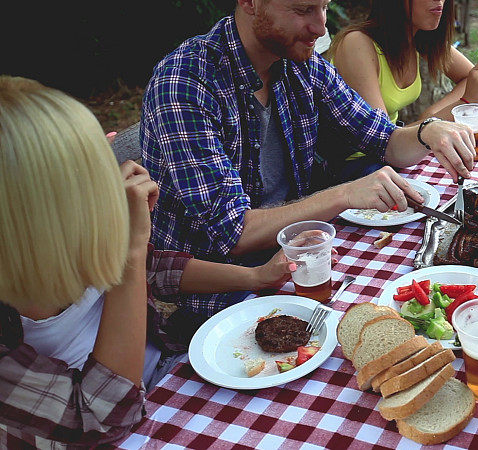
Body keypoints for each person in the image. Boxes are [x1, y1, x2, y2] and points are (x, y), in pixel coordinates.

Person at [0, 77, 300, 446]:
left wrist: (256, 277)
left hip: (165, 380)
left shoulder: (66, 233)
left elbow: (156, 269)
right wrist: (131, 249)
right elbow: (105, 419)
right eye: (89, 172)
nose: (111, 178)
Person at [140, 0, 476, 318]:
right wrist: (345, 193)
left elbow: (384, 140)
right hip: (213, 298)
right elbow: (235, 233)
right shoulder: (185, 83)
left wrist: (426, 132)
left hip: (296, 261)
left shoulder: (301, 63)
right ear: (249, 2)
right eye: (303, 9)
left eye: (324, 7)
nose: (320, 27)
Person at [330, 0, 478, 125]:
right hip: (355, 165)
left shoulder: (417, 37)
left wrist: (431, 114)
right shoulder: (357, 44)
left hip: (391, 155)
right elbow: (382, 138)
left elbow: (471, 77)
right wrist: (465, 102)